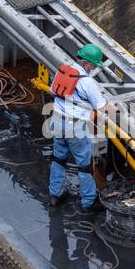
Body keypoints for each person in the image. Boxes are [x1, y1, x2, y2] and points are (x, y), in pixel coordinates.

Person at [48, 44, 109, 213]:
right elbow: (102, 106)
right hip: (75, 127)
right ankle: (88, 202)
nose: (94, 69)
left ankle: (56, 195)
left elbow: (53, 91)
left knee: (59, 159)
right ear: (87, 64)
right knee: (84, 164)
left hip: (57, 122)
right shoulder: (88, 82)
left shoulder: (63, 71)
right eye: (94, 66)